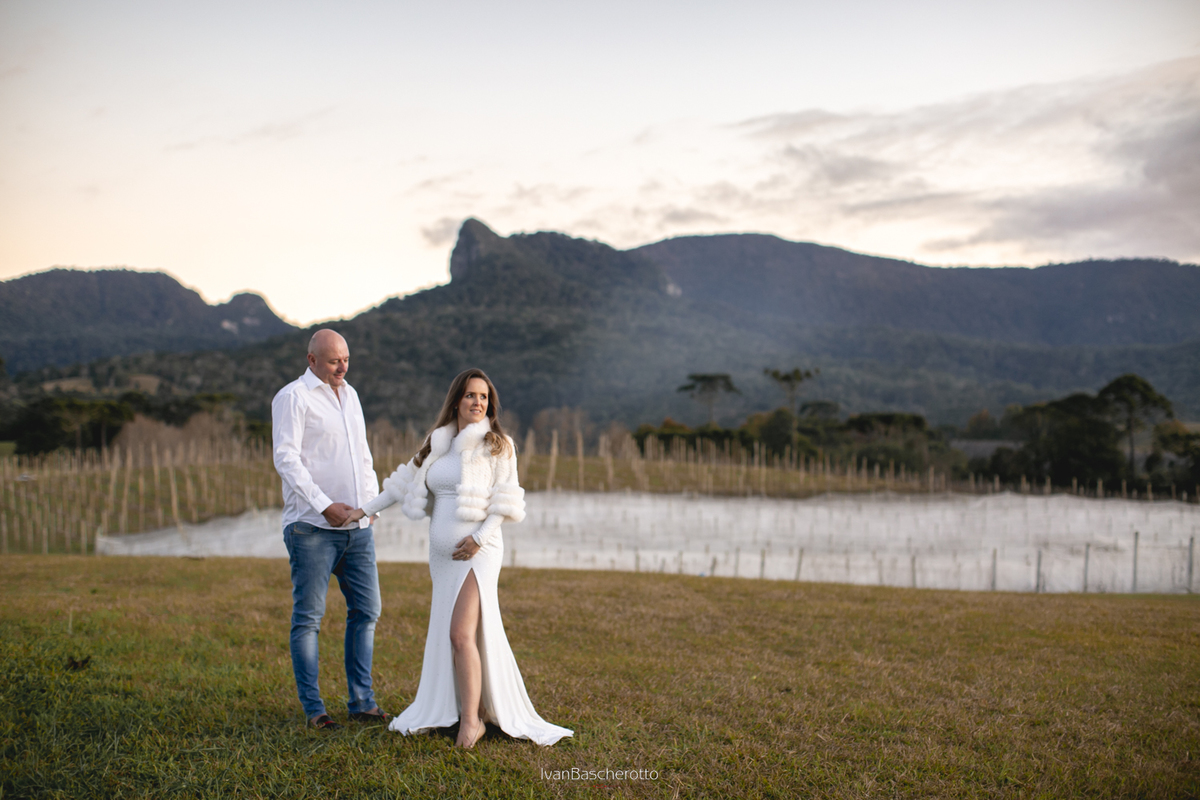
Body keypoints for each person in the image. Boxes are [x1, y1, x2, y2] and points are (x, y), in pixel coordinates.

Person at [348, 368, 572, 748]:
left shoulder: (498, 445)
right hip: (441, 557)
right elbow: (402, 484)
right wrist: (363, 510)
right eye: (471, 395)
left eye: (484, 397)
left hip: (478, 552)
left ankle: (472, 722)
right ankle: (467, 707)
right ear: (456, 400)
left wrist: (478, 539)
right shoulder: (437, 443)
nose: (477, 402)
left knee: (460, 634)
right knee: (455, 633)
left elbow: (504, 502)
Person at [272, 329, 389, 730]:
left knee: (367, 610)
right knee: (309, 619)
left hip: (358, 528)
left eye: (346, 360)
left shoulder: (351, 395)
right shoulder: (293, 398)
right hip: (311, 529)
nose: (342, 368)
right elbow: (286, 459)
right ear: (312, 360)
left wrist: (370, 507)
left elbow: (363, 456)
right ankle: (315, 710)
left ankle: (362, 702)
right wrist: (324, 505)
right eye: (334, 360)